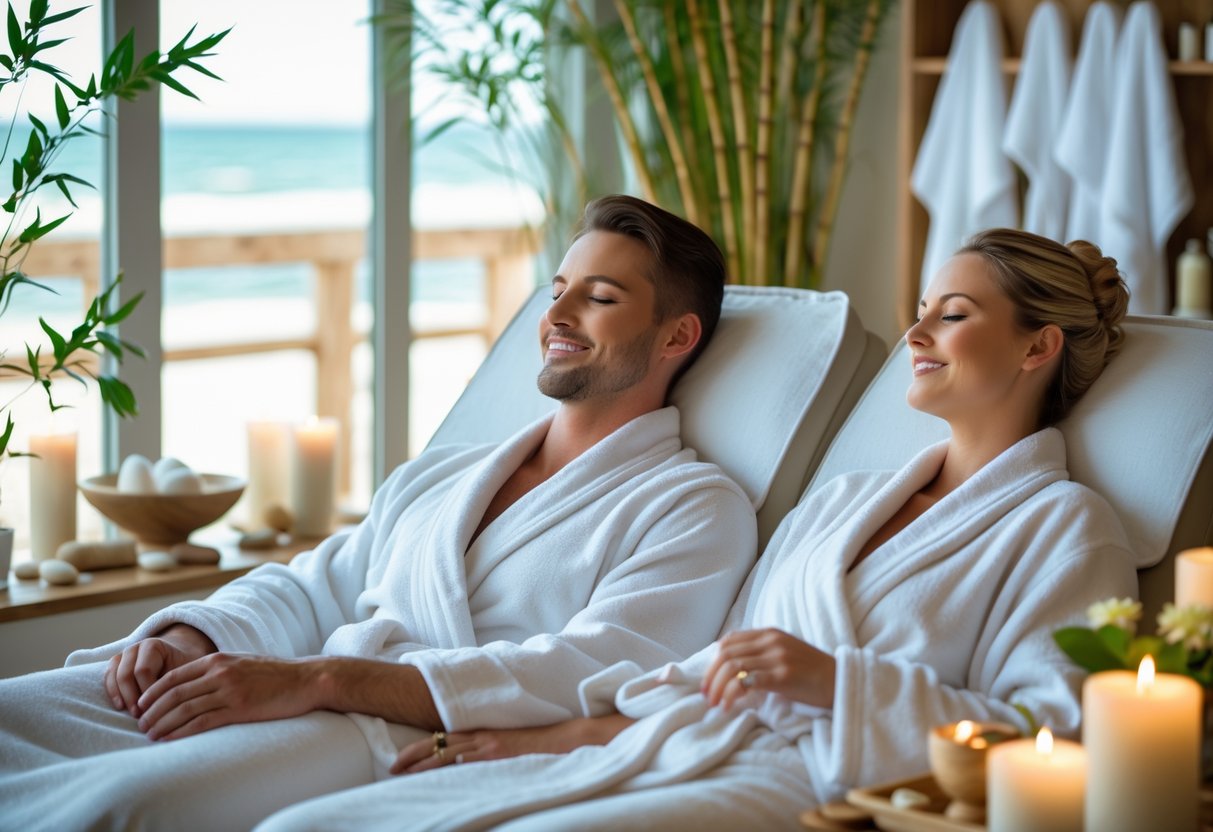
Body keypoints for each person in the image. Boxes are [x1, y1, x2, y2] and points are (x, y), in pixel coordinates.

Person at [256, 228, 1140, 831]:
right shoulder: (841, 502)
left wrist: (838, 682)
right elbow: (709, 676)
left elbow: (1053, 737)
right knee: (320, 822)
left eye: (950, 314)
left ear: (1037, 348)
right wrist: (537, 741)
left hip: (818, 788)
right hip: (675, 746)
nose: (914, 332)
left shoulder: (1066, 529)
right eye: (919, 307)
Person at [0, 195, 759, 830]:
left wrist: (322, 679)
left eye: (598, 298)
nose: (555, 312)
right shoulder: (447, 473)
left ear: (676, 336)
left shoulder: (693, 507)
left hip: (387, 728)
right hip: (294, 684)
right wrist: (188, 635)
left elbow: (590, 670)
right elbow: (314, 584)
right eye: (557, 286)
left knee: (125, 808)